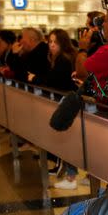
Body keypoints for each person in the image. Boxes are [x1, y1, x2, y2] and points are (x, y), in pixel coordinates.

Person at [45, 28, 82, 191]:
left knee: (69, 141)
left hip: (67, 104)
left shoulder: (63, 59)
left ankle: (71, 176)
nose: (52, 45)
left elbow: (54, 81)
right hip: (70, 103)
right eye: (50, 42)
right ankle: (71, 175)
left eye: (55, 42)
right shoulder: (63, 57)